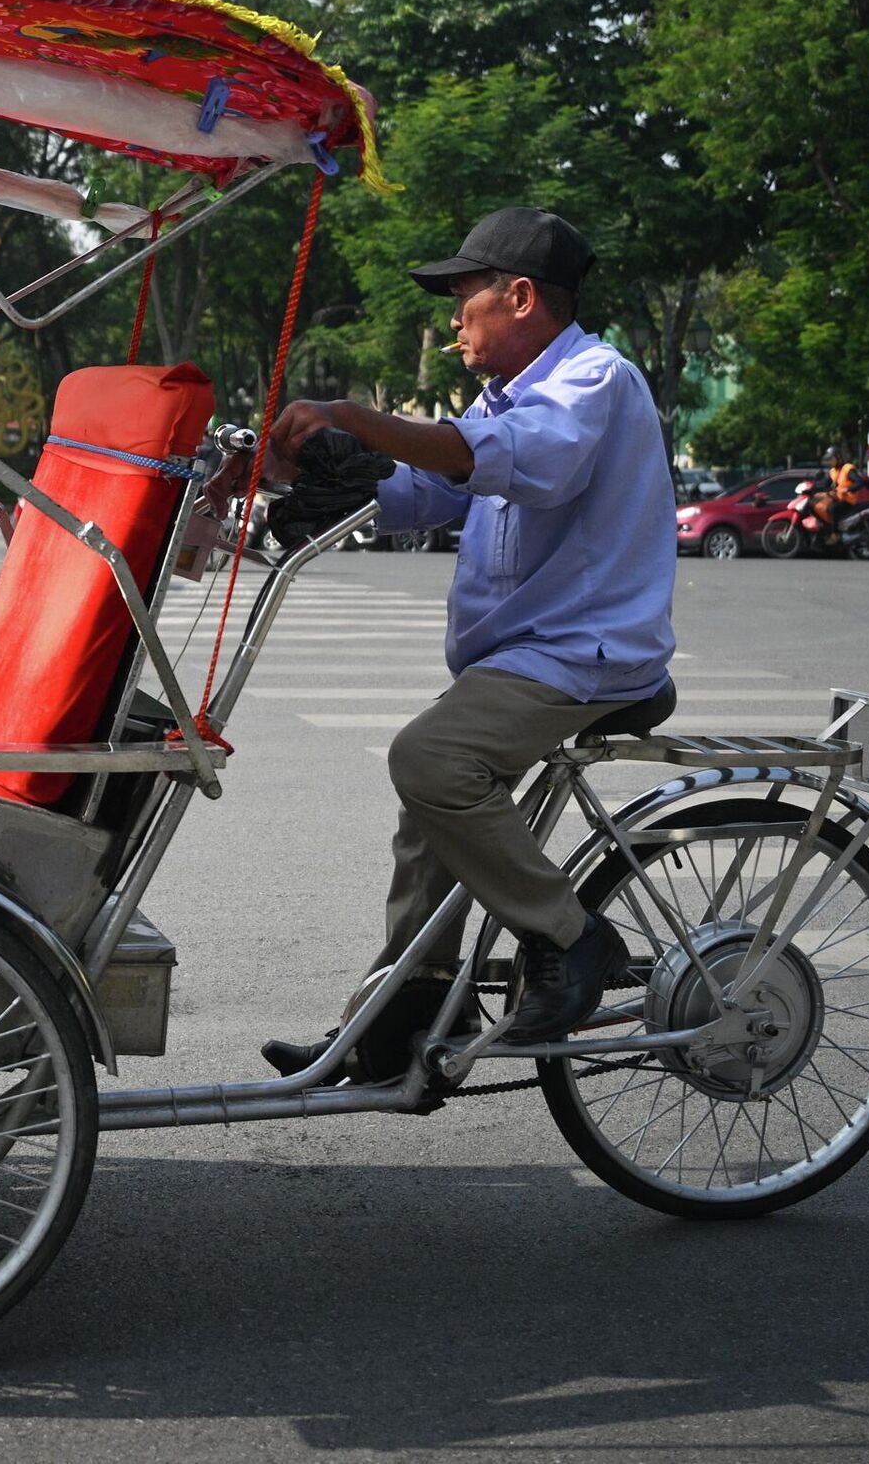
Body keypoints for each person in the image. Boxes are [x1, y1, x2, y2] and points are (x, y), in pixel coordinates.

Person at [259, 207, 677, 1075]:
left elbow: (509, 458)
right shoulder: (503, 398)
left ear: (519, 297)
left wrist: (353, 415)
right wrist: (322, 471)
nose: (455, 320)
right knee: (430, 815)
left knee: (431, 759)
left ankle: (571, 935)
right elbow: (432, 487)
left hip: (584, 653)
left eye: (465, 297)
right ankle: (404, 1010)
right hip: (523, 658)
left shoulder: (594, 380)